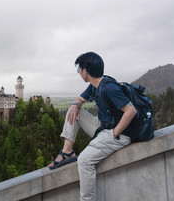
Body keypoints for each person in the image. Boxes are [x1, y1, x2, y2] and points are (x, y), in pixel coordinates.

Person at [47, 52, 137, 201]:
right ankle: (67, 151)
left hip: (119, 133)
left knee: (84, 161)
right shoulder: (95, 85)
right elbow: (79, 100)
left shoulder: (108, 88)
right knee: (73, 109)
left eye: (79, 70)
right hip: (103, 127)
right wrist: (76, 104)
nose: (79, 73)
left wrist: (114, 133)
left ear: (85, 71)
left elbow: (131, 111)